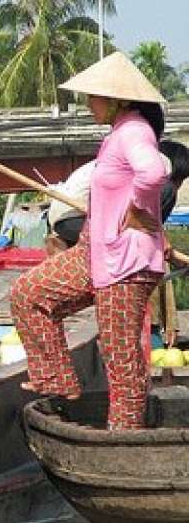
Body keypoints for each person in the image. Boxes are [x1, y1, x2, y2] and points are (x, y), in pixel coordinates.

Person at [9, 52, 170, 430]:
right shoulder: (119, 133)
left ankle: (125, 439)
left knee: (120, 357)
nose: (88, 104)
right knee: (28, 295)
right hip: (95, 251)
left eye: (93, 97)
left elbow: (152, 172)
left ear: (117, 100)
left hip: (126, 261)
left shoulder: (133, 130)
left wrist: (137, 211)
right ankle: (56, 379)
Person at [46, 140, 189, 250]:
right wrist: (157, 238)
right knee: (168, 191)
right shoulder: (160, 166)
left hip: (66, 222)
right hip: (74, 220)